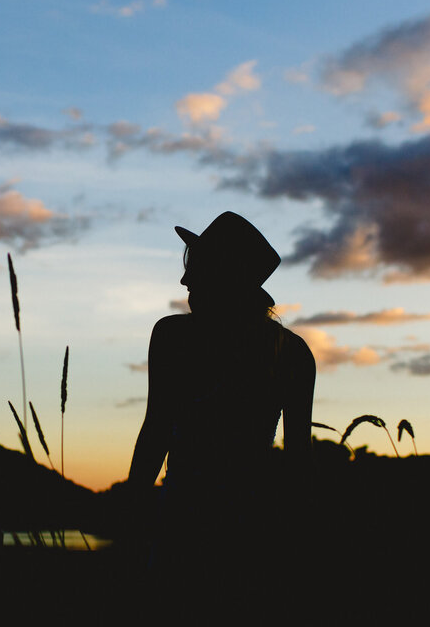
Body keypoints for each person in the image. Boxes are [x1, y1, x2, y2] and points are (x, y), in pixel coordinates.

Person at [124, 212, 316, 570]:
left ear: (222, 273)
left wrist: (131, 519)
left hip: (182, 523)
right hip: (254, 528)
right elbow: (297, 467)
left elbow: (155, 434)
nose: (184, 279)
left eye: (195, 267)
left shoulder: (173, 337)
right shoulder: (293, 352)